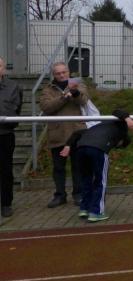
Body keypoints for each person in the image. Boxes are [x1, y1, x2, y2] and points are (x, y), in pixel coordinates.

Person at [60, 109, 133, 222]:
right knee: (100, 181)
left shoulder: (99, 126)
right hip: (98, 149)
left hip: (81, 149)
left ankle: (84, 208)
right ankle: (96, 212)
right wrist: (128, 119)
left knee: (86, 179)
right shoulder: (121, 128)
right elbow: (117, 111)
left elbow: (77, 133)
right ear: (121, 141)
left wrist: (68, 145)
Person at [39, 62, 89, 208]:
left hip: (77, 132)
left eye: (64, 72)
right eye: (58, 73)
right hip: (57, 133)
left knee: (78, 166)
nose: (61, 75)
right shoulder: (47, 89)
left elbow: (84, 100)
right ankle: (60, 195)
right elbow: (46, 107)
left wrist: (75, 93)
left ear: (68, 72)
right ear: (53, 75)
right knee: (58, 167)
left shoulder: (78, 84)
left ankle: (78, 194)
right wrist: (64, 97)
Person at [0, 56, 23, 218]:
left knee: (5, 170)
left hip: (5, 134)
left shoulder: (13, 87)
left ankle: (6, 203)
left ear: (3, 69)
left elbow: (15, 109)